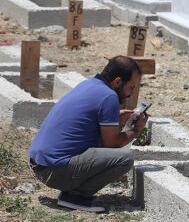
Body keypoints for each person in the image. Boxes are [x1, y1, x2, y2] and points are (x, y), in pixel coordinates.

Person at [28, 56, 148, 212]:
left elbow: (86, 122)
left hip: (39, 163)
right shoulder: (109, 96)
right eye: (131, 87)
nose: (131, 93)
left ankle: (72, 191)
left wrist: (114, 119)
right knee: (125, 159)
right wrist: (136, 130)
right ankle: (75, 196)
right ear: (117, 82)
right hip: (53, 171)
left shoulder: (88, 84)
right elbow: (111, 144)